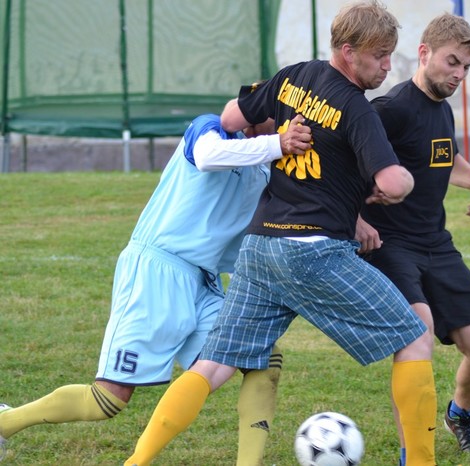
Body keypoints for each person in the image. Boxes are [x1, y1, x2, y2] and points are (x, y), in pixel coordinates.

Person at [122, 2, 438, 466]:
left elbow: (231, 118)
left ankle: (135, 462)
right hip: (314, 253)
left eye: (391, 54)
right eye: (380, 55)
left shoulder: (294, 75)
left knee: (213, 365)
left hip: (259, 249)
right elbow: (391, 183)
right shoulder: (356, 108)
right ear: (348, 51)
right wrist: (405, 180)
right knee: (414, 338)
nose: (388, 65)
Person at [0, 96, 312, 465]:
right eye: (283, 116)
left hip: (205, 282)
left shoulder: (267, 171)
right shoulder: (210, 128)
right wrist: (278, 144)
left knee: (262, 356)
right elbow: (208, 156)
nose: (291, 124)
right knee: (108, 399)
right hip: (156, 270)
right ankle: (5, 423)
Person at [358, 13, 470, 460]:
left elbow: (443, 156)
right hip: (390, 245)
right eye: (452, 62)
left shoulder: (442, 108)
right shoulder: (391, 110)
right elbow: (343, 165)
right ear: (424, 53)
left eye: (466, 67)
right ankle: (413, 455)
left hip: (436, 243)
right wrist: (356, 218)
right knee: (416, 337)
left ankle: (459, 414)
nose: (459, 75)